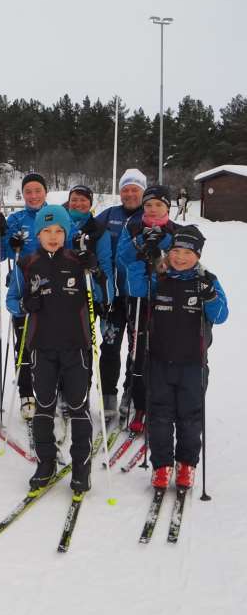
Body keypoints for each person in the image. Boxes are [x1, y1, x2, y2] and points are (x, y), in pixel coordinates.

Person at [6, 205, 103, 494]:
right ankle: (45, 463)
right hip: (42, 347)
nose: (53, 236)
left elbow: (100, 296)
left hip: (76, 347)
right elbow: (12, 301)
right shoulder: (27, 263)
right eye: (47, 231)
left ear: (67, 232)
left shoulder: (78, 261)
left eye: (59, 231)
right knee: (44, 407)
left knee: (78, 407)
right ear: (38, 233)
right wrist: (26, 305)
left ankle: (81, 467)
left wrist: (94, 270)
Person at [139, 225, 228, 490]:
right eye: (176, 251)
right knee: (160, 416)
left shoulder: (207, 280)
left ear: (198, 255)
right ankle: (162, 466)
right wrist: (149, 258)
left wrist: (210, 296)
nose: (180, 257)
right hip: (159, 361)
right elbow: (135, 285)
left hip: (193, 364)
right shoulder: (159, 277)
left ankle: (186, 464)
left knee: (190, 417)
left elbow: (221, 315)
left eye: (187, 252)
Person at [116, 185, 180, 437]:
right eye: (149, 204)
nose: (153, 209)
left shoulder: (175, 231)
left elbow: (185, 260)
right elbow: (122, 257)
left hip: (167, 298)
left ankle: (161, 405)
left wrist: (162, 242)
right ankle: (139, 404)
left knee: (163, 351)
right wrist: (142, 241)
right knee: (138, 350)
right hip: (139, 297)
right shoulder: (133, 227)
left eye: (159, 205)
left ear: (167, 207)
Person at [93, 169, 146, 420]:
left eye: (135, 189)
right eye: (125, 189)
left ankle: (130, 393)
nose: (129, 193)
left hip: (138, 297)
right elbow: (83, 225)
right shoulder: (109, 215)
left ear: (143, 191)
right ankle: (108, 397)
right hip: (112, 298)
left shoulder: (149, 216)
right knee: (110, 348)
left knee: (137, 350)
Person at [1, 172, 49, 420]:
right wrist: (9, 239)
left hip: (53, 284)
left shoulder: (54, 215)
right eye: (28, 191)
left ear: (45, 192)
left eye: (37, 191)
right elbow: (2, 252)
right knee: (24, 342)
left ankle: (50, 390)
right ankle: (26, 392)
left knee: (51, 343)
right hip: (23, 283)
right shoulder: (17, 218)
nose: (33, 196)